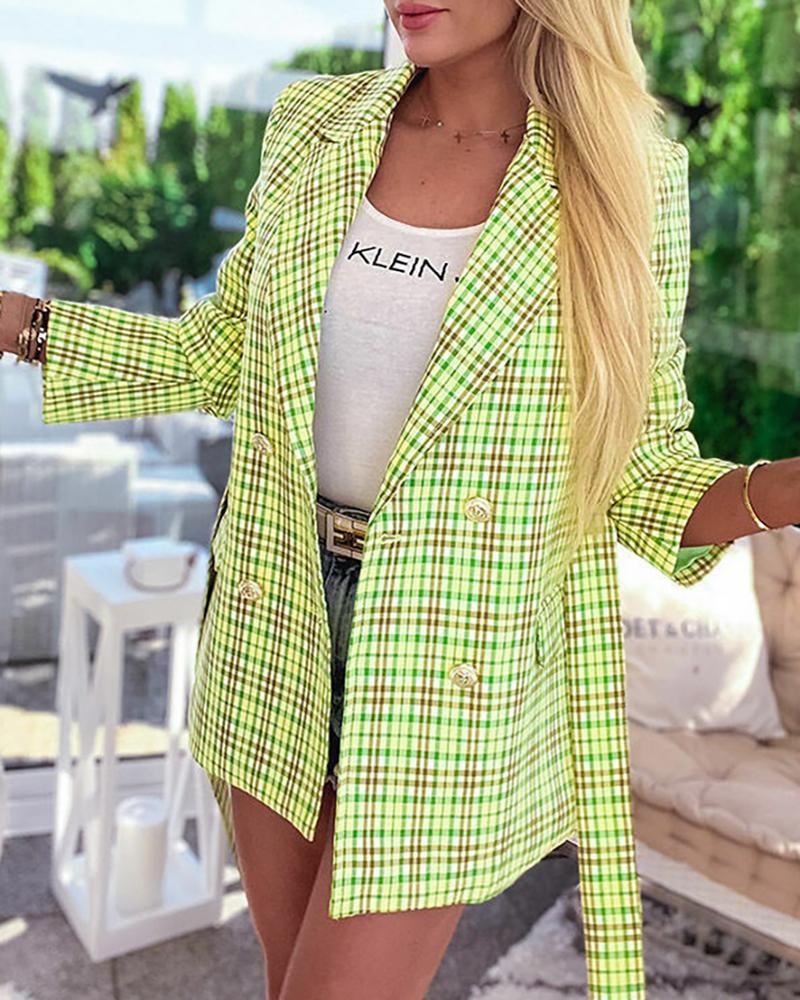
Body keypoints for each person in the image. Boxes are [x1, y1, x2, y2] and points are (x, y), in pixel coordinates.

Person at [3, 2, 799, 998]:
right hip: (275, 611)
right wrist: (21, 323)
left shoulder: (623, 174)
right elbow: (215, 354)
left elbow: (637, 476)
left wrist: (777, 490)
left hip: (446, 654)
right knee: (287, 977)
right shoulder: (315, 125)